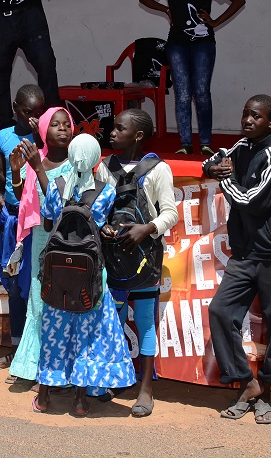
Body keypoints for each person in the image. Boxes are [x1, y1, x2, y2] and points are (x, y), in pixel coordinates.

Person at [203, 95, 271, 425]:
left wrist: (224, 178)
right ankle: (248, 382)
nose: (247, 121)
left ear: (270, 123)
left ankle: (268, 396)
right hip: (246, 253)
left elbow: (251, 201)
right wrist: (211, 167)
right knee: (220, 311)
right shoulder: (239, 147)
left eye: (255, 117)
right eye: (245, 114)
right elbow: (215, 161)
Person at [31, 134, 137, 416]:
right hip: (90, 278)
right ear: (95, 158)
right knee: (86, 338)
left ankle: (43, 397)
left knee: (53, 334)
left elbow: (47, 222)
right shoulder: (106, 191)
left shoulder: (56, 186)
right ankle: (79, 401)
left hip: (57, 276)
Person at [139, 0, 246, 155]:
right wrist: (166, 10)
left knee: (201, 92)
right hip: (177, 44)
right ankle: (185, 143)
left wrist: (215, 22)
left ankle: (206, 142)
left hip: (204, 43)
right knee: (183, 93)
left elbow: (238, 0)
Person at [98, 108, 178, 417]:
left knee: (145, 322)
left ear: (139, 135)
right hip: (114, 257)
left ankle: (146, 388)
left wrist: (147, 228)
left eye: (120, 129)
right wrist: (102, 226)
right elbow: (100, 207)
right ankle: (116, 377)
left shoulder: (159, 170)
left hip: (146, 259)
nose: (112, 133)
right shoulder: (105, 167)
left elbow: (170, 213)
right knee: (114, 320)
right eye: (114, 128)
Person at [0, 83, 44, 374]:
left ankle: (39, 352)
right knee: (15, 287)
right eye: (29, 113)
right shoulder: (3, 137)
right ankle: (17, 350)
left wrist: (41, 135)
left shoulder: (48, 135)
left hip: (39, 221)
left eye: (39, 113)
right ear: (16, 108)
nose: (34, 119)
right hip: (13, 219)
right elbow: (0, 179)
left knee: (36, 288)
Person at [7, 106, 73, 386]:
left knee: (62, 301)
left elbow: (60, 204)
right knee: (38, 300)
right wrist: (16, 173)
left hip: (67, 241)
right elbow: (24, 198)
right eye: (55, 124)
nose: (62, 129)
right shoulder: (39, 158)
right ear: (44, 130)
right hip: (40, 239)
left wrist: (35, 167)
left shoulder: (76, 163)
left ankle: (57, 369)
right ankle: (32, 365)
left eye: (67, 124)